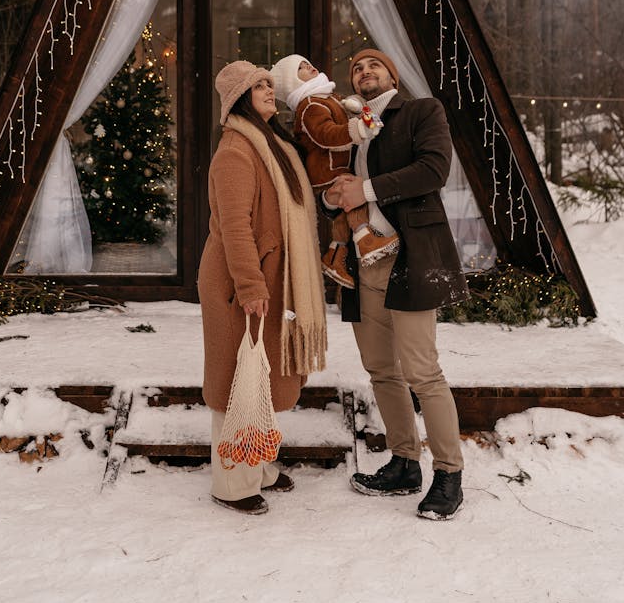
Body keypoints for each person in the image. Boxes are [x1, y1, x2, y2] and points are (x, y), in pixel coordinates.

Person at [324, 48, 469, 520]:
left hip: (410, 256)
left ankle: (449, 475)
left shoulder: (422, 112)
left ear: (391, 75)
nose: (364, 72)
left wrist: (364, 189)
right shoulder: (350, 131)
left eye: (373, 65)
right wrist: (332, 197)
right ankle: (405, 463)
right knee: (381, 370)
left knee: (423, 372)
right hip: (360, 262)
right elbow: (338, 188)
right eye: (356, 68)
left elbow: (434, 171)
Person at [198, 60, 328, 515]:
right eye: (259, 86)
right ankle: (233, 483)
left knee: (264, 379)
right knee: (236, 381)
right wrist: (251, 285)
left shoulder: (272, 143)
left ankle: (262, 467)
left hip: (269, 279)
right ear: (238, 97)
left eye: (271, 83)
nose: (270, 90)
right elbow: (234, 228)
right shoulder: (236, 151)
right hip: (240, 283)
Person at [269, 54, 400, 289]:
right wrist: (357, 128)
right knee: (353, 205)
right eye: (300, 67)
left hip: (334, 168)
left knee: (341, 215)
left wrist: (351, 108)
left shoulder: (323, 99)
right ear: (292, 82)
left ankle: (335, 256)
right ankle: (365, 240)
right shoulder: (310, 105)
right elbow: (326, 134)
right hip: (328, 170)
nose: (308, 65)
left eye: (307, 62)